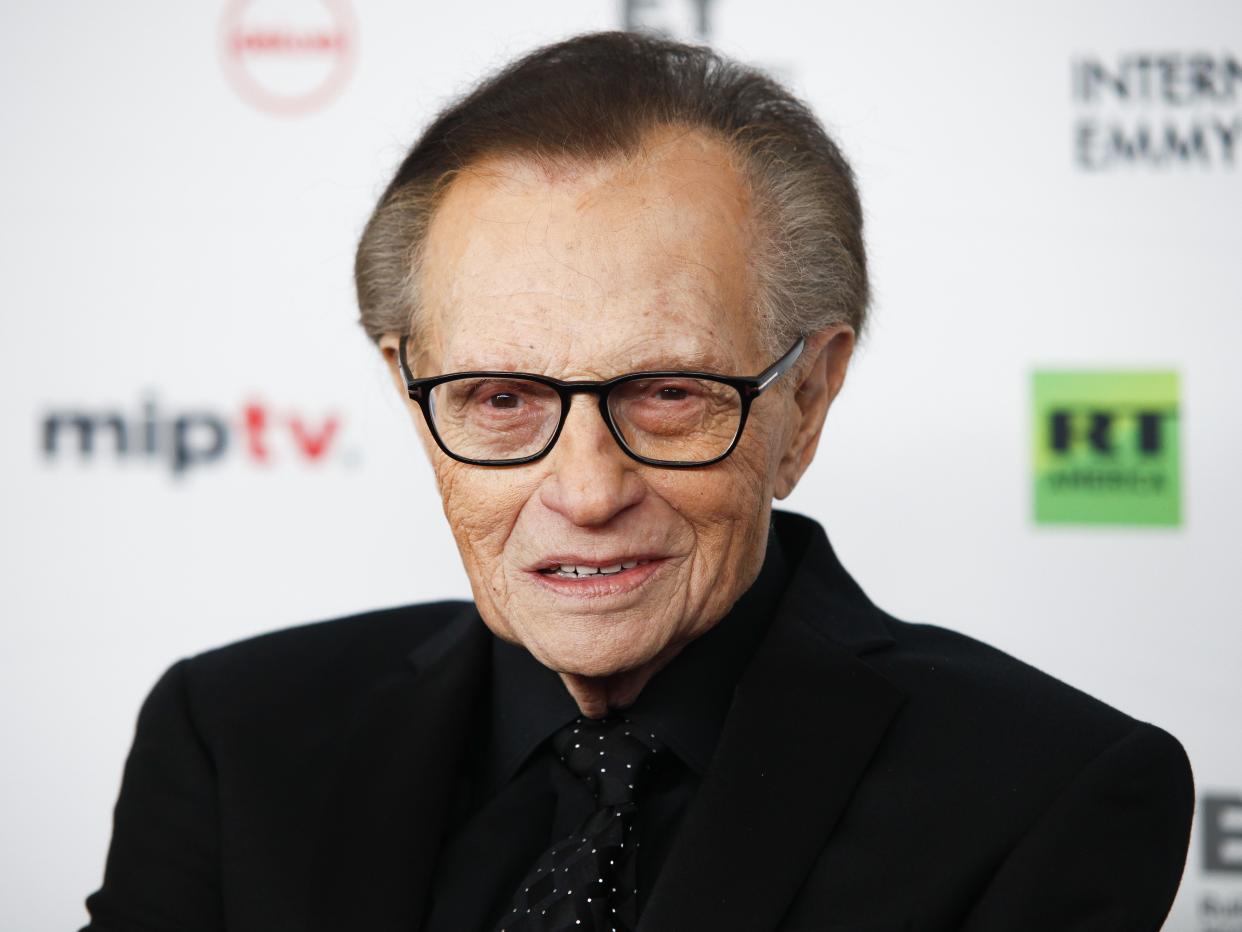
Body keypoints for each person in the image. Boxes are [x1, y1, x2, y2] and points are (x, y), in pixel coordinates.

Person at [82, 30, 1193, 932]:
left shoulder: (1046, 793)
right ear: (410, 392)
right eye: (502, 398)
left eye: (667, 391)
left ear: (806, 397)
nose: (587, 486)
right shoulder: (237, 740)